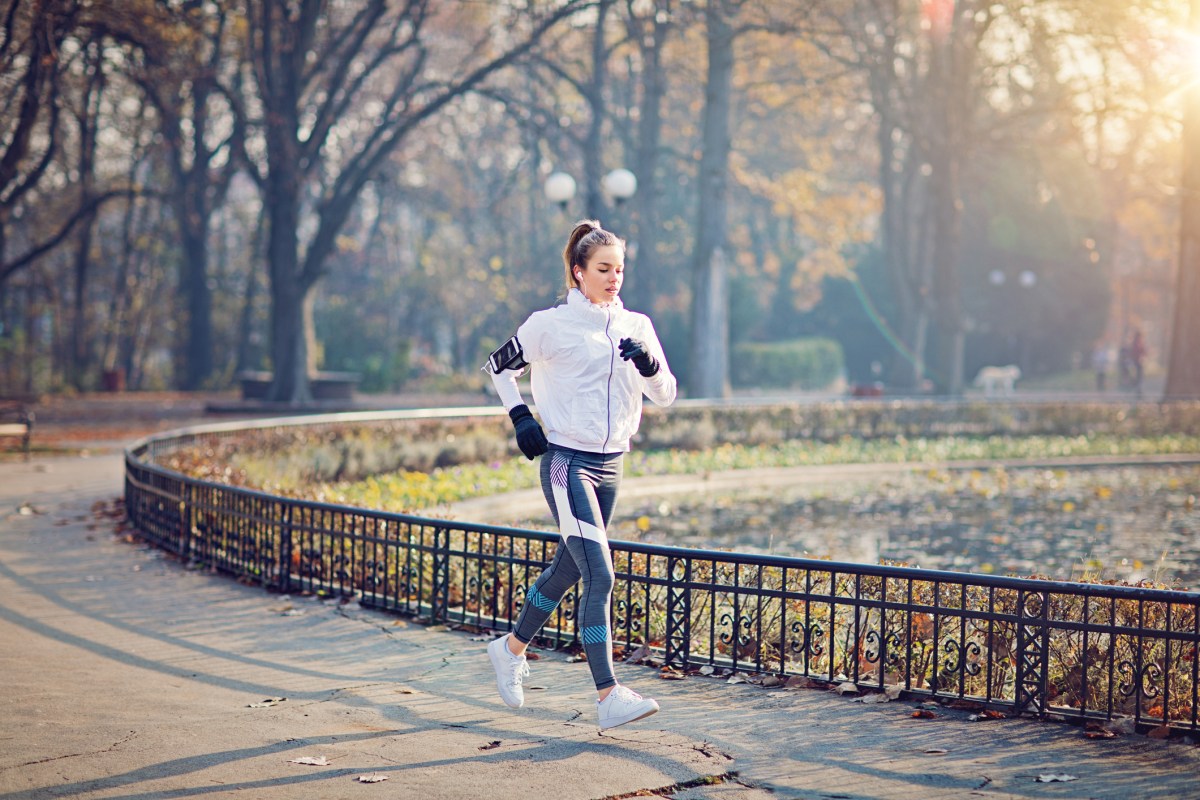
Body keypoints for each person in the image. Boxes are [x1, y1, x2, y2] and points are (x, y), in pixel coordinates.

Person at [483, 219, 677, 730]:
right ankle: (609, 694)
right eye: (603, 269)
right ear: (578, 272)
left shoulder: (636, 325)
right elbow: (499, 366)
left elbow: (667, 395)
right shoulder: (550, 325)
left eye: (620, 269)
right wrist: (521, 417)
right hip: (568, 463)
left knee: (571, 568)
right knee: (601, 573)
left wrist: (649, 365)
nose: (614, 278)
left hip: (612, 464)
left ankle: (510, 648)